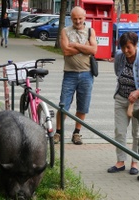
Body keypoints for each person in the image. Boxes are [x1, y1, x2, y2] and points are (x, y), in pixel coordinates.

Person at [107, 32, 139, 175]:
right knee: (120, 131)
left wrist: (138, 91)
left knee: (137, 133)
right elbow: (118, 73)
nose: (126, 51)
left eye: (129, 47)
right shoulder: (119, 56)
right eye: (123, 47)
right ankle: (120, 161)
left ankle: (135, 162)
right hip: (121, 98)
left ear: (135, 45)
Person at [53, 6, 97, 145]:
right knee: (63, 105)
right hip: (70, 74)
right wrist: (84, 48)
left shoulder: (90, 31)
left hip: (86, 74)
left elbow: (94, 50)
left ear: (84, 18)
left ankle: (77, 133)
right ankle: (58, 132)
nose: (78, 21)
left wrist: (75, 45)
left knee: (83, 106)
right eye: (75, 18)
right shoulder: (65, 31)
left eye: (80, 18)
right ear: (71, 18)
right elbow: (65, 51)